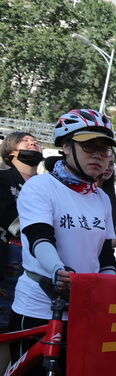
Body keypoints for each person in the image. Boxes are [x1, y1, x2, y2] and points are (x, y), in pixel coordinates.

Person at [10, 109, 116, 376]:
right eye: (89, 146)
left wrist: (111, 285)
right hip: (39, 307)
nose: (99, 156)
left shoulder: (100, 196)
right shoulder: (41, 186)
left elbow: (105, 255)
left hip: (82, 309)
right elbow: (39, 239)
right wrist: (60, 274)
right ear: (66, 147)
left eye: (104, 149)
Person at [0, 132, 43, 332]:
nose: (33, 143)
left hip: (36, 263)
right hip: (6, 255)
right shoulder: (2, 178)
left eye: (36, 142)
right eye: (25, 141)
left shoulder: (47, 185)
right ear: (11, 151)